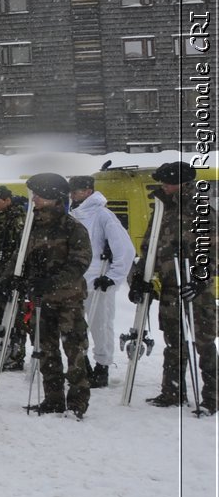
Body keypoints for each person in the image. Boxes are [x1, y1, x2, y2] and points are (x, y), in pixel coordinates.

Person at [130, 162, 216, 411]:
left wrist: (202, 278)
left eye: (168, 182)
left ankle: (212, 396)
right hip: (170, 286)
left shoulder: (200, 210)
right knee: (174, 342)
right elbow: (149, 247)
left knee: (204, 342)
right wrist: (139, 275)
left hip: (196, 288)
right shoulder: (161, 210)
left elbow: (213, 249)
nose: (164, 186)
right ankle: (173, 391)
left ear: (183, 183)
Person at [19, 173, 93, 417]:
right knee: (45, 349)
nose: (35, 199)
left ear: (54, 198)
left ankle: (77, 401)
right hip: (40, 300)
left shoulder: (72, 228)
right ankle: (53, 398)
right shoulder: (32, 226)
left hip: (68, 299)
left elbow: (80, 262)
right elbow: (21, 257)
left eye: (40, 195)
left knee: (74, 350)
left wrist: (51, 281)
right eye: (34, 195)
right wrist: (15, 277)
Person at [66, 175, 135, 388]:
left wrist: (112, 277)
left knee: (100, 325)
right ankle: (82, 363)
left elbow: (125, 250)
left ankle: (102, 366)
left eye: (76, 191)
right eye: (71, 191)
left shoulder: (104, 216)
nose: (73, 195)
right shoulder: (72, 215)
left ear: (88, 191)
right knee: (76, 325)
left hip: (97, 280)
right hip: (75, 279)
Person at [0, 186, 30, 372]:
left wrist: (11, 276)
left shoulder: (17, 219)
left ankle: (15, 355)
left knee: (13, 316)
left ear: (8, 200)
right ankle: (0, 351)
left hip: (9, 277)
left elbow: (20, 250)